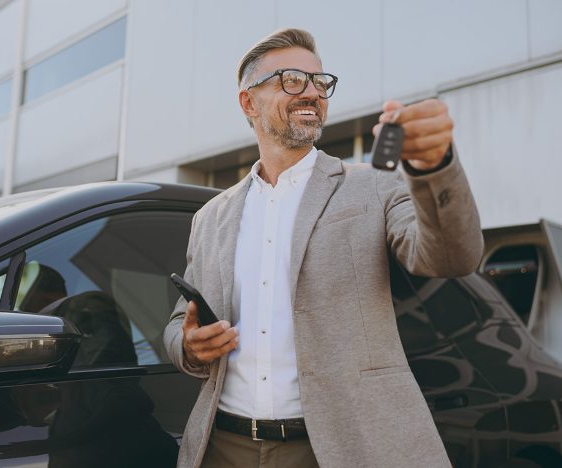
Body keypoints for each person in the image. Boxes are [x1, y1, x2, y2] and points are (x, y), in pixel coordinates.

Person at [164, 28, 483, 468]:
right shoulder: (211, 216)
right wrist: (187, 344)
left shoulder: (374, 185)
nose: (311, 92)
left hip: (340, 447)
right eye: (292, 80)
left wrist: (436, 167)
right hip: (223, 445)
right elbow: (181, 320)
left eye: (320, 82)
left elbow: (452, 256)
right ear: (248, 102)